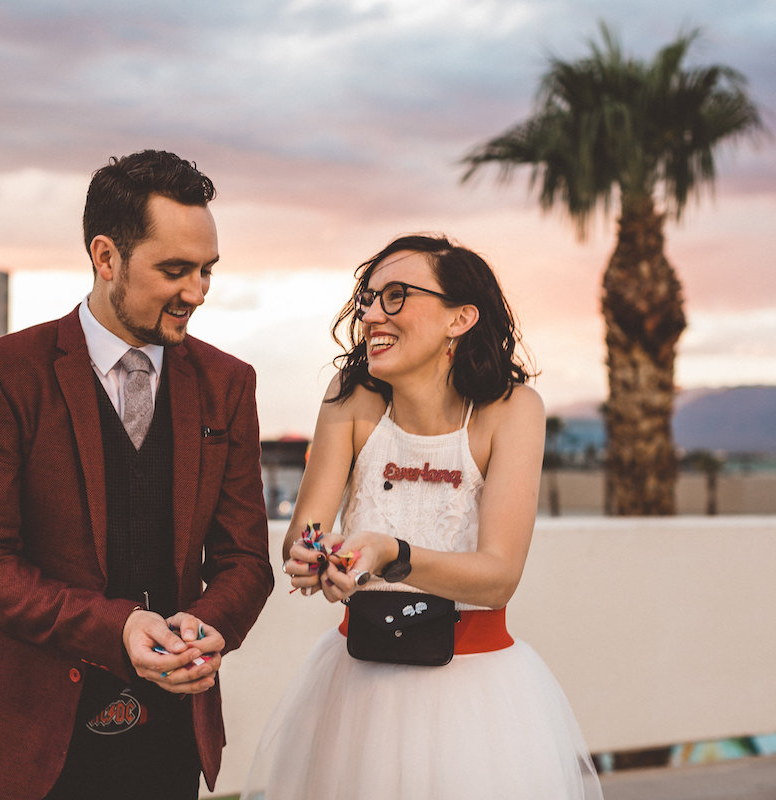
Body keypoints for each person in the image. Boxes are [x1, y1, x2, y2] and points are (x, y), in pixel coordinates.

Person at [0, 150, 275, 800]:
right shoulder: (4, 372)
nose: (196, 292)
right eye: (175, 270)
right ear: (106, 257)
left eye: (206, 270)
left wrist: (207, 629)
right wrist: (115, 627)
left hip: (167, 740)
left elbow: (245, 561)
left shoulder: (229, 384)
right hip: (21, 742)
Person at [242, 234, 603, 799]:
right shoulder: (350, 396)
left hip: (474, 693)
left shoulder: (512, 410)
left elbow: (500, 574)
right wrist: (315, 553)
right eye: (368, 298)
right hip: (356, 684)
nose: (370, 314)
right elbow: (305, 530)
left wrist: (392, 555)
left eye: (395, 296)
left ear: (460, 318)